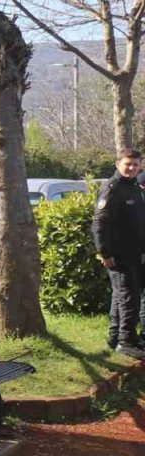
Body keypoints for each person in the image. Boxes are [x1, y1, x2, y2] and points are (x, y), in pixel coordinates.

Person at [92, 149, 145, 360]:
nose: (132, 168)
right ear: (118, 164)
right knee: (128, 299)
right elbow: (99, 224)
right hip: (118, 255)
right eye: (128, 164)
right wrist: (105, 252)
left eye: (135, 164)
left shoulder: (131, 187)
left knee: (121, 296)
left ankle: (116, 337)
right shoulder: (112, 189)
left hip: (133, 253)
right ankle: (126, 342)